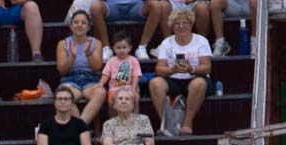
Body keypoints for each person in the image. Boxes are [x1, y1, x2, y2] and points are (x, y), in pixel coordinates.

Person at [148, 7, 212, 136]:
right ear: (172, 26)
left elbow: (207, 67)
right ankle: (167, 123)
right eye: (177, 23)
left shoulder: (201, 41)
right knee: (155, 83)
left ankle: (187, 123)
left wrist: (191, 69)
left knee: (198, 84)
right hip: (173, 78)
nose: (181, 26)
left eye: (185, 23)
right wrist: (171, 70)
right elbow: (159, 68)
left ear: (191, 24)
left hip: (195, 77)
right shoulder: (167, 42)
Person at [55, 10, 105, 126]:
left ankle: (80, 127)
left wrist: (88, 53)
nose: (79, 25)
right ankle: (82, 129)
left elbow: (97, 67)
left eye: (83, 23)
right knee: (64, 95)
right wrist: (72, 56)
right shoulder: (63, 44)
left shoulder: (96, 43)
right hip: (70, 80)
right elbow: (61, 70)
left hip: (91, 80)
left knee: (101, 92)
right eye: (76, 22)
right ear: (71, 26)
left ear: (88, 27)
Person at [90, 0, 162, 62]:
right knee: (95, 7)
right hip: (112, 6)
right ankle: (106, 48)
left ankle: (142, 47)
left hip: (136, 6)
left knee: (156, 5)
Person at [99, 31, 143, 111]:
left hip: (129, 87)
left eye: (124, 47)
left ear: (130, 48)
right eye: (118, 48)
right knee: (111, 101)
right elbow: (106, 74)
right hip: (115, 88)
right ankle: (113, 121)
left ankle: (136, 120)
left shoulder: (133, 60)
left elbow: (136, 76)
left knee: (135, 99)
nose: (121, 50)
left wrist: (133, 89)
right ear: (113, 48)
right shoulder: (111, 61)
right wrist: (101, 83)